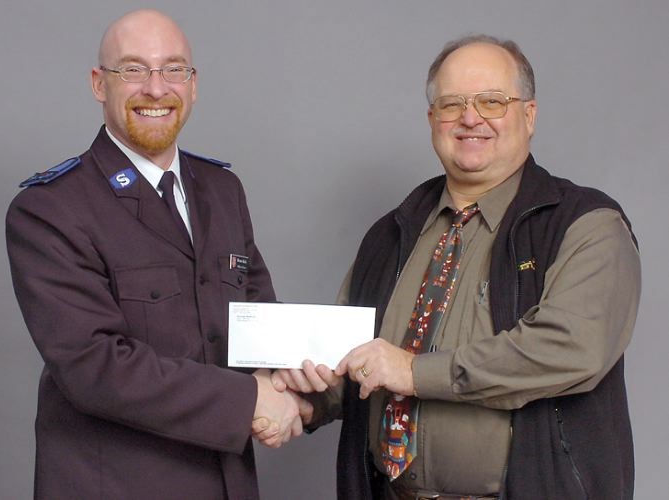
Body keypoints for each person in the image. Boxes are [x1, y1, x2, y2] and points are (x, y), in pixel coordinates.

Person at [259, 35, 641, 499]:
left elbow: (568, 348)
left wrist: (414, 372)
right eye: (451, 104)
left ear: (530, 115)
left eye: (492, 101)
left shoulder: (585, 224)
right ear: (432, 119)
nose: (470, 117)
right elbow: (354, 358)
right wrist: (299, 398)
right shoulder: (392, 233)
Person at [6, 9, 305, 499]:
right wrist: (251, 401)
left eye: (173, 69)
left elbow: (257, 319)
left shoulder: (222, 189)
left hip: (226, 481)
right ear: (99, 84)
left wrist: (297, 383)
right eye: (133, 69)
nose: (156, 87)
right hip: (117, 485)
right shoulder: (50, 208)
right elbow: (94, 365)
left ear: (193, 84)